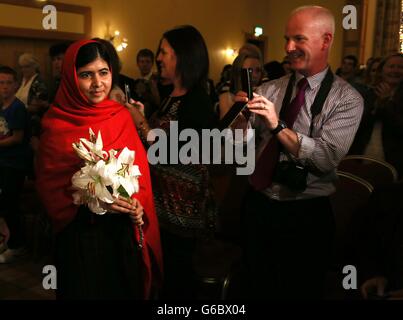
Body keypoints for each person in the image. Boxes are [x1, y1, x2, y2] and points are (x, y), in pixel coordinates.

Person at [233, 6, 364, 299]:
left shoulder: (347, 99)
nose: (288, 48)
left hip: (305, 217)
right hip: (259, 205)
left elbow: (325, 159)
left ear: (326, 40)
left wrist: (277, 125)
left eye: (299, 39)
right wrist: (238, 120)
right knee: (254, 287)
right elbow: (236, 150)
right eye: (286, 39)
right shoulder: (270, 89)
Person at [35, 40, 162, 299]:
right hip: (81, 237)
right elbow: (50, 187)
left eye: (103, 72)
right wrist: (94, 197)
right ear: (71, 77)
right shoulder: (56, 123)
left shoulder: (120, 116)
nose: (97, 83)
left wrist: (136, 203)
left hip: (121, 235)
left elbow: (139, 171)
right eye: (86, 75)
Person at [127, 25, 217, 299]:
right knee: (165, 275)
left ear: (183, 57)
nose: (158, 58)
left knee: (180, 279)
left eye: (164, 51)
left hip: (182, 211)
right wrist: (143, 117)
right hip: (161, 204)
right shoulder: (170, 97)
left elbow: (183, 149)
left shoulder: (197, 99)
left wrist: (141, 123)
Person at [0, 66, 31, 263]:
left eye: (8, 83)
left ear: (16, 84)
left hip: (14, 164)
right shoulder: (1, 106)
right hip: (3, 161)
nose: (4, 87)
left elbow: (17, 138)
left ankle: (17, 245)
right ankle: (7, 239)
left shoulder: (18, 108)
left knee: (10, 205)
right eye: (0, 83)